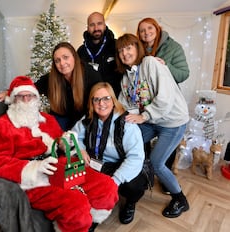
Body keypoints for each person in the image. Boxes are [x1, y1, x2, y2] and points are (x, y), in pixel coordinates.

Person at [0, 76, 119, 232]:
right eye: (21, 96)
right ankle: (76, 225)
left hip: (58, 166)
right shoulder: (3, 125)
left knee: (106, 186)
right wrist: (35, 167)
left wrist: (66, 142)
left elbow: (59, 142)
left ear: (36, 97)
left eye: (30, 95)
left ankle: (88, 225)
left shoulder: (47, 119)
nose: (27, 100)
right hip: (32, 180)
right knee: (76, 203)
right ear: (14, 99)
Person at [115, 33, 190, 218]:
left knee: (157, 163)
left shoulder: (150, 63)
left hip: (172, 122)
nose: (125, 53)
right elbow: (126, 104)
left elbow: (165, 98)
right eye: (121, 50)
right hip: (152, 120)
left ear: (137, 48)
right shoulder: (126, 78)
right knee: (128, 143)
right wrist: (121, 119)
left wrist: (144, 116)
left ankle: (180, 199)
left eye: (129, 47)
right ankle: (134, 191)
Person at [72, 82, 148, 225]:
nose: (101, 103)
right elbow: (73, 137)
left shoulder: (127, 123)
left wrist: (115, 181)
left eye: (106, 98)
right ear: (92, 102)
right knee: (72, 166)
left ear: (113, 100)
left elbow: (135, 157)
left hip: (119, 165)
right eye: (96, 99)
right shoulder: (88, 119)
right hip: (97, 162)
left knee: (134, 185)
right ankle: (80, 202)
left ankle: (130, 203)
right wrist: (80, 149)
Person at [0, 42, 102, 131]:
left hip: (85, 117)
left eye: (65, 57)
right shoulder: (52, 78)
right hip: (61, 116)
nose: (62, 63)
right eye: (57, 60)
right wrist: (9, 92)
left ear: (74, 57)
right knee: (53, 138)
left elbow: (102, 97)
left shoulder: (90, 74)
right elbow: (30, 88)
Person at [137, 17, 190, 193]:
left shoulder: (173, 47)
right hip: (150, 108)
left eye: (150, 28)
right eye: (142, 30)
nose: (146, 33)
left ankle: (169, 186)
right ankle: (146, 176)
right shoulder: (140, 50)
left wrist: (165, 66)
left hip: (167, 105)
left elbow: (183, 74)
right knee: (138, 140)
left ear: (157, 28)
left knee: (162, 157)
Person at [77, 12, 122, 96]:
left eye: (99, 24)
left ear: (105, 25)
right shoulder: (81, 51)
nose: (96, 28)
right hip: (90, 100)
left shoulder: (116, 46)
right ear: (87, 28)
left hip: (114, 98)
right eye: (92, 25)